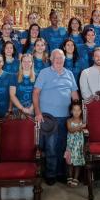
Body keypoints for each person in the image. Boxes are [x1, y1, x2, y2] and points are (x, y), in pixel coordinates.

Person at [33, 49, 80, 185]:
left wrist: (76, 116)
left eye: (61, 58)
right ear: (51, 59)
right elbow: (36, 93)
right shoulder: (44, 73)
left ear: (64, 59)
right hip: (49, 118)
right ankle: (51, 174)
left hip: (66, 117)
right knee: (51, 148)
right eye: (56, 58)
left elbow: (75, 96)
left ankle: (61, 173)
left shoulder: (69, 74)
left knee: (63, 146)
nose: (59, 60)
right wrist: (37, 112)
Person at [64, 101, 86, 187]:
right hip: (70, 145)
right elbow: (70, 130)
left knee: (77, 163)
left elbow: (85, 131)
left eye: (78, 110)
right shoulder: (69, 121)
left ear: (81, 111)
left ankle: (76, 178)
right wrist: (80, 127)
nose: (76, 112)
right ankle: (69, 176)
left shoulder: (83, 121)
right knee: (69, 162)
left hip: (79, 146)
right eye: (74, 110)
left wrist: (82, 127)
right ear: (71, 111)